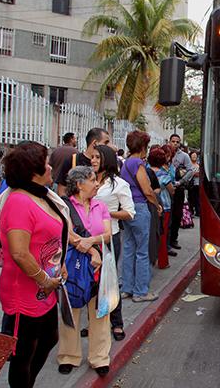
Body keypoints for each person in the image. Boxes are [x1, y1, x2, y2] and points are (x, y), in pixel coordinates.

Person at [0, 141, 69, 388]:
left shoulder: (41, 196)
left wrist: (59, 265)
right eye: (46, 163)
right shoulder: (19, 201)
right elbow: (18, 252)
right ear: (34, 171)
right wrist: (44, 279)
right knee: (22, 354)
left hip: (45, 289)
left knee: (49, 338)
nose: (51, 167)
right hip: (25, 292)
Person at [58, 166, 112, 377]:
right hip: (74, 266)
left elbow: (108, 234)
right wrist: (92, 252)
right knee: (71, 311)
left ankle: (100, 357)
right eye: (92, 180)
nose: (97, 183)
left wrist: (91, 242)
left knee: (100, 312)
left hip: (100, 267)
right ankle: (68, 356)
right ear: (79, 184)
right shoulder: (64, 206)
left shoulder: (101, 206)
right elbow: (70, 234)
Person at [91, 145, 135, 341]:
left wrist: (105, 214)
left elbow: (129, 212)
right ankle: (94, 321)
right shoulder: (86, 179)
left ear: (106, 160)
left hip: (110, 237)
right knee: (89, 282)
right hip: (87, 238)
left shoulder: (118, 184)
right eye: (91, 157)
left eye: (97, 158)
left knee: (108, 280)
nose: (92, 161)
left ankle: (116, 323)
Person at [120, 131, 162, 302]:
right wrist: (157, 204)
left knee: (129, 249)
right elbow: (147, 190)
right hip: (140, 208)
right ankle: (140, 292)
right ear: (143, 146)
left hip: (128, 208)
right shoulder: (138, 163)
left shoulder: (125, 163)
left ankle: (127, 288)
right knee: (142, 251)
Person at [55, 128, 110, 196]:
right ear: (95, 143)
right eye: (106, 142)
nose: (109, 146)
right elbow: (61, 190)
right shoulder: (73, 160)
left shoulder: (107, 164)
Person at [148, 148, 175, 268]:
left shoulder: (145, 172)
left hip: (148, 206)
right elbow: (172, 191)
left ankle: (150, 260)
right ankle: (163, 262)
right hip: (164, 206)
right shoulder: (164, 175)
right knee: (162, 234)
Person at [168, 134, 192, 250]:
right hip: (166, 189)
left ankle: (173, 239)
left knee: (177, 215)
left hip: (178, 189)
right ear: (169, 141)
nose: (175, 144)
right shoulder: (165, 153)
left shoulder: (184, 156)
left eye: (177, 142)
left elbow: (190, 171)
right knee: (168, 215)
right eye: (173, 141)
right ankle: (166, 242)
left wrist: (181, 181)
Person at [188, 151, 200, 217]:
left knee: (198, 199)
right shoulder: (189, 165)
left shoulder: (199, 165)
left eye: (195, 156)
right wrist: (194, 173)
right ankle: (191, 211)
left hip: (198, 184)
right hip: (191, 184)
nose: (194, 157)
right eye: (193, 156)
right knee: (191, 198)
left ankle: (198, 211)